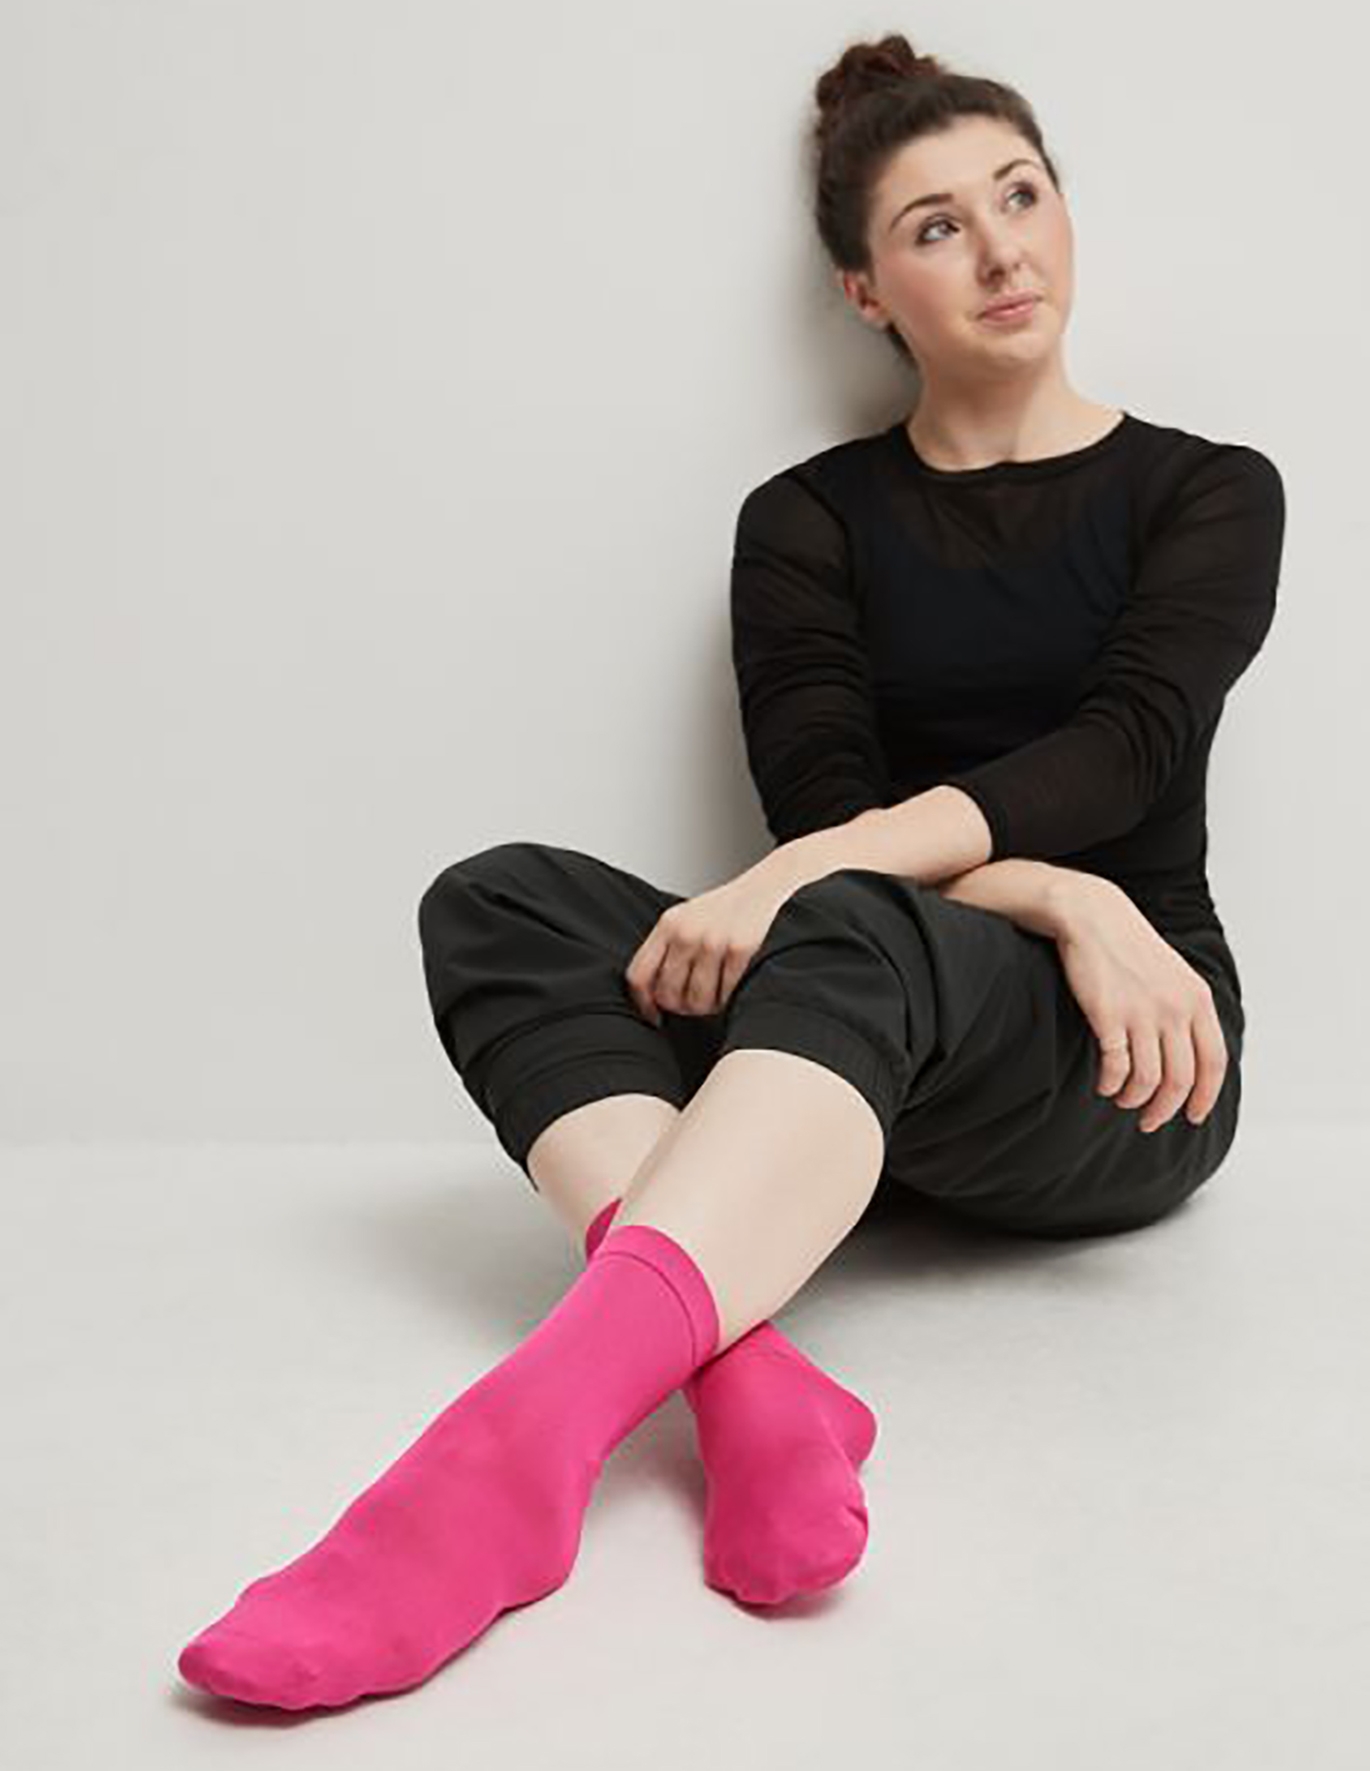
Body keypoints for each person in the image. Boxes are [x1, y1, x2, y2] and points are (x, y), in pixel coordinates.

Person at [177, 33, 1285, 1712]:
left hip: (1125, 1056)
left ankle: (516, 1448)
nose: (998, 249)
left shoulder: (1204, 490)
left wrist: (1045, 901)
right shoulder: (809, 519)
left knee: (846, 908)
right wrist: (1065, 891)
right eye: (934, 226)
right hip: (856, 1014)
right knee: (501, 896)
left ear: (1064, 209)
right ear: (864, 291)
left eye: (1019, 195)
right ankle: (744, 1376)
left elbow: (1121, 754)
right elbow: (822, 806)